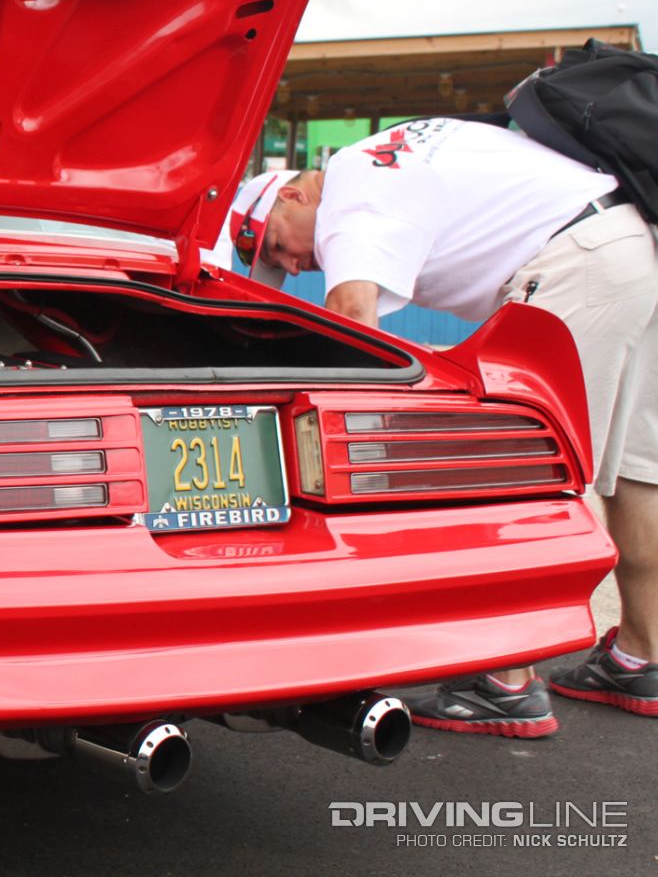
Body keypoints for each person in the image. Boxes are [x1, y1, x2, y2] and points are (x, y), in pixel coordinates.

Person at [230, 110, 658, 736]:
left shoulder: (351, 189)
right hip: (631, 241)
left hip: (575, 262)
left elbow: (352, 317)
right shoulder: (389, 151)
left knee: (518, 469)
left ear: (294, 196)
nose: (293, 267)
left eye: (275, 245)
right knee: (638, 469)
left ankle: (504, 683)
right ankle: (640, 657)